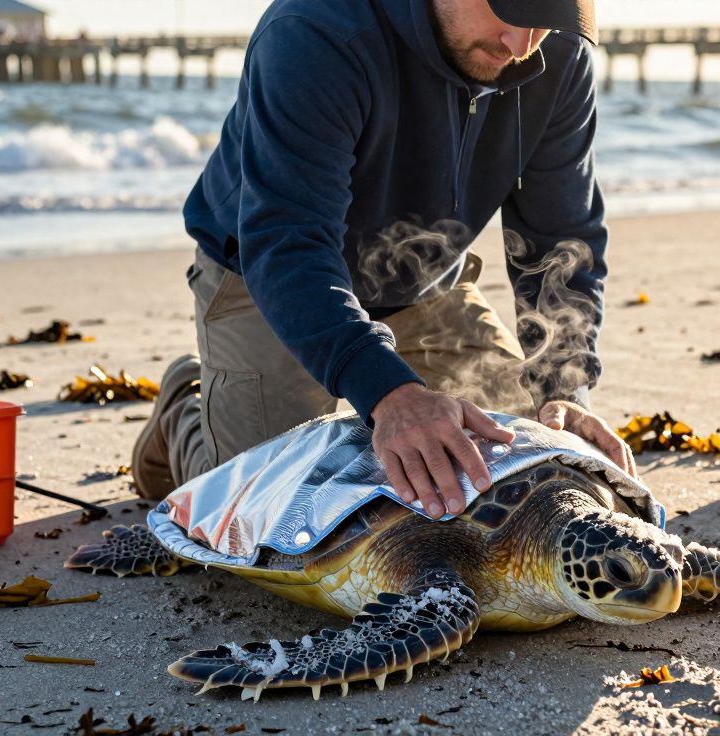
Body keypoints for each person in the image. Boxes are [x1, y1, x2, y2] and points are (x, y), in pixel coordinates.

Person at [132, 0, 636, 521]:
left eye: (547, 19)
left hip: (426, 285)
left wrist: (564, 385)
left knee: (524, 479)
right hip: (272, 280)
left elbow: (559, 238)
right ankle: (185, 412)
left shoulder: (556, 50)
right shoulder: (314, 30)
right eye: (509, 10)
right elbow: (288, 239)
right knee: (256, 519)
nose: (522, 45)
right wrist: (390, 393)